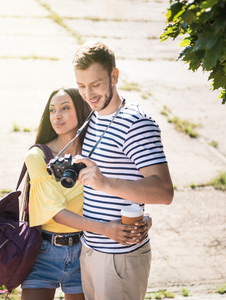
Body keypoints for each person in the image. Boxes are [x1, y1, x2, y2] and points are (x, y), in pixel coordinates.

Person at [20, 87, 152, 300]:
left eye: (65, 108)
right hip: (44, 252)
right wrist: (106, 229)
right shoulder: (37, 155)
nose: (57, 116)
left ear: (81, 111)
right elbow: (55, 212)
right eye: (52, 110)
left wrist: (142, 218)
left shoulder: (95, 154)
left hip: (84, 251)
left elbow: (117, 192)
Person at [73, 41, 174, 300]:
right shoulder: (92, 117)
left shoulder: (136, 123)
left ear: (114, 76)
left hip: (120, 257)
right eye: (82, 86)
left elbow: (164, 191)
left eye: (95, 84)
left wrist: (104, 182)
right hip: (91, 249)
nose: (88, 94)